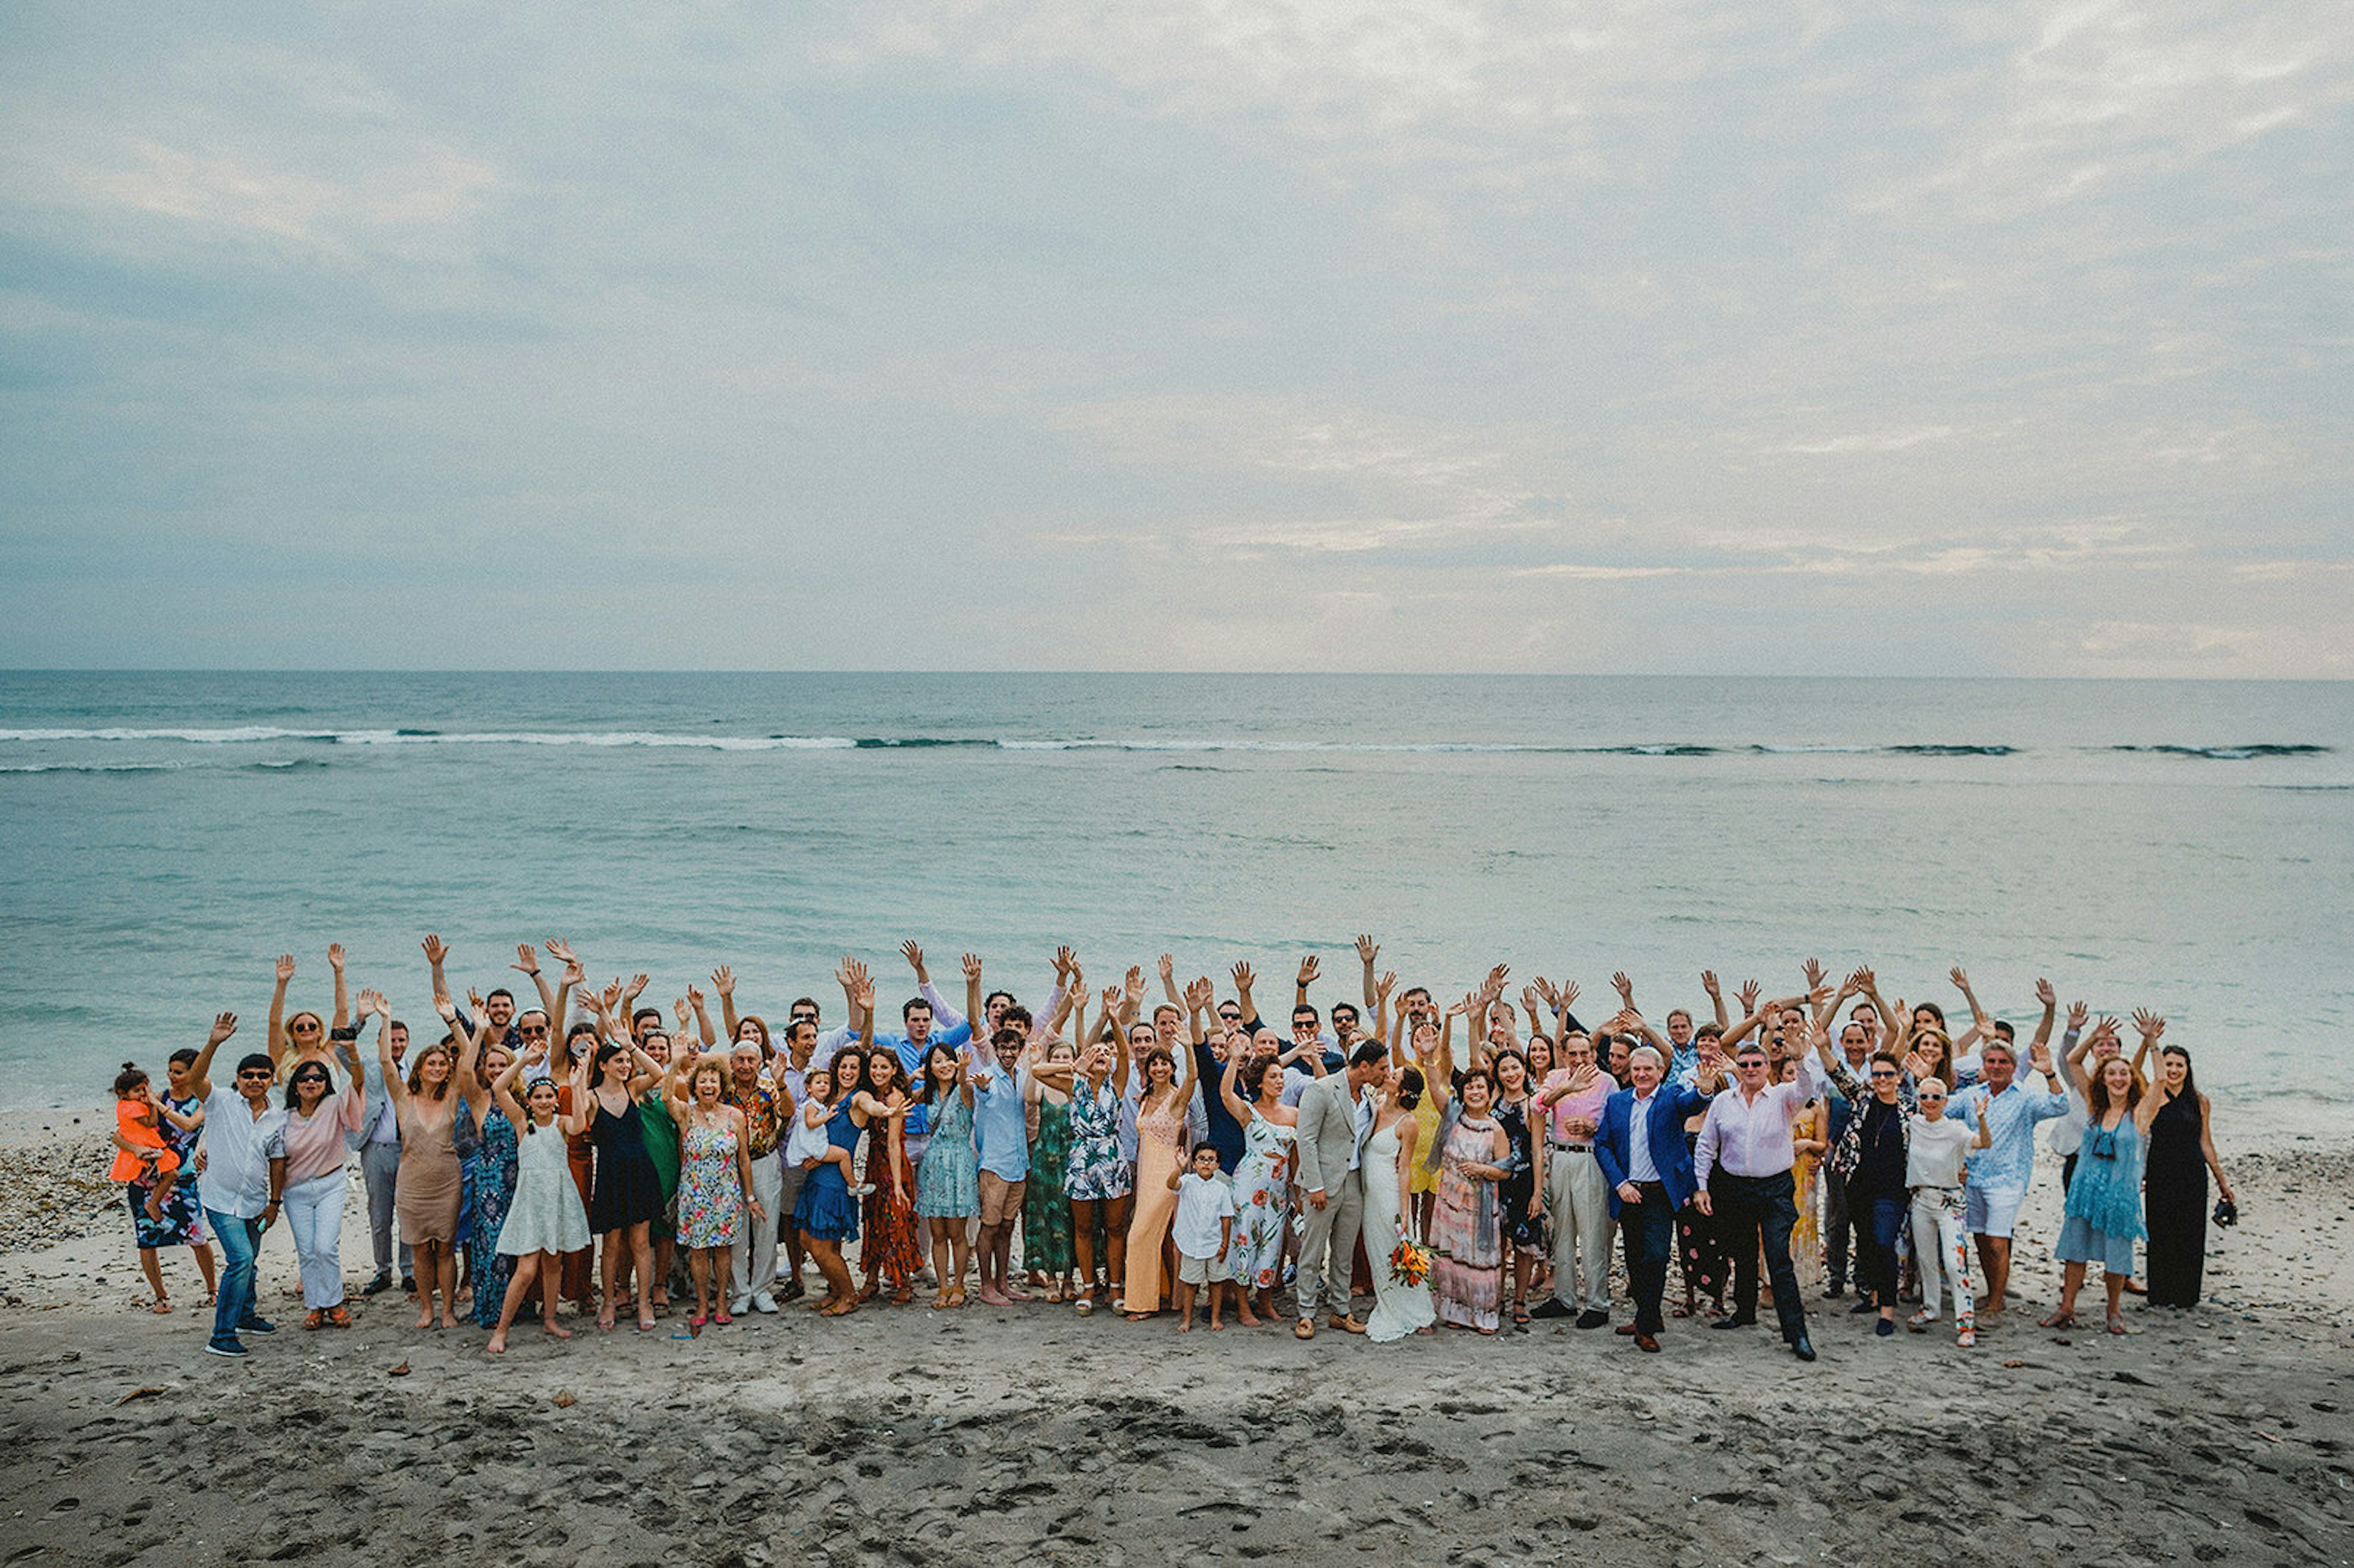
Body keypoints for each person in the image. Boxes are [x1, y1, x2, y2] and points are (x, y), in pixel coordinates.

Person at [1943, 980, 2068, 1321]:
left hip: (2008, 1180)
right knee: (1981, 1240)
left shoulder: (2025, 1096)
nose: (1997, 1066)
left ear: (2014, 1067)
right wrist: (1929, 1079)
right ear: (1984, 1063)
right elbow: (1939, 1108)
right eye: (1992, 1061)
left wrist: (2050, 1073)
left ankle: (1997, 1302)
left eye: (2003, 1062)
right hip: (1975, 1177)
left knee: (1998, 1241)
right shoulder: (1973, 1095)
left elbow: (2060, 1105)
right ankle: (1991, 1292)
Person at [1691, 1030, 1815, 1361]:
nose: (1750, 1069)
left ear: (1766, 1066)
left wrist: (1800, 1057)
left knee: (1777, 1257)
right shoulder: (1722, 1102)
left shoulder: (1783, 1097)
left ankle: (1796, 1333)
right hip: (1735, 1188)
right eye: (1744, 1064)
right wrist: (1701, 1186)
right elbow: (1706, 1146)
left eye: (1756, 1063)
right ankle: (1744, 1312)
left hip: (1775, 1188)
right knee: (1742, 1253)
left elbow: (1807, 1088)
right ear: (1738, 1067)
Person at [2044, 1021, 2167, 1334]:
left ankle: (2114, 1311)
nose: (2118, 1078)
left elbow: (2162, 1079)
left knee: (2117, 1256)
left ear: (2131, 1079)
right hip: (2085, 1191)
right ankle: (2066, 1308)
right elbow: (2072, 1062)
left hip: (2119, 1196)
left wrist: (2151, 1042)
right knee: (2075, 1251)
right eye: (2111, 1073)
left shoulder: (2140, 1113)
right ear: (2103, 1078)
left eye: (2123, 1074)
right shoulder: (2094, 1106)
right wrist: (2093, 1038)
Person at [1594, 1045, 1720, 1353]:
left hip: (1660, 1194)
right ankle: (1647, 1314)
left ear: (1660, 1072)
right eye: (1637, 1069)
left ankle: (1646, 1328)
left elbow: (1692, 1103)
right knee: (1635, 1259)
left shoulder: (1671, 1097)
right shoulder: (1617, 1103)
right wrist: (1620, 1183)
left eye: (1648, 1069)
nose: (1642, 1074)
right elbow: (1602, 1145)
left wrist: (1705, 1090)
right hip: (1629, 1193)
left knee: (1657, 1256)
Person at [185, 1011, 287, 1358]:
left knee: (251, 1260)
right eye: (248, 1075)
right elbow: (194, 1079)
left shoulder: (278, 1116)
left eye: (262, 1075)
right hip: (220, 1198)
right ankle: (222, 1335)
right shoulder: (220, 1102)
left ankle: (246, 1315)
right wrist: (213, 1042)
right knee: (241, 1259)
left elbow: (277, 1160)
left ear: (272, 1079)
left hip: (256, 1201)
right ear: (238, 1078)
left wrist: (274, 1203)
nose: (255, 1080)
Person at [483, 1041, 593, 1353]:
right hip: (531, 1200)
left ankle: (550, 1318)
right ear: (529, 1101)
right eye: (539, 1097)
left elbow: (580, 1124)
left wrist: (578, 1084)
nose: (544, 1101)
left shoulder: (561, 1124)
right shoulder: (522, 1122)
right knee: (527, 1268)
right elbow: (499, 1087)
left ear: (556, 1101)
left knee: (553, 1262)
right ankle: (502, 1329)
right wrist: (523, 1061)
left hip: (558, 1197)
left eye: (549, 1097)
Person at [1813, 1031, 1914, 1338]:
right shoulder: (1862, 1098)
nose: (1882, 1079)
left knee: (1884, 1242)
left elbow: (1940, 1129)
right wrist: (1821, 1047)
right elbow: (1837, 1073)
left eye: (1888, 1074)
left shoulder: (1911, 1109)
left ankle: (1887, 1310)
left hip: (1893, 1190)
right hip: (1857, 1184)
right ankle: (1872, 1297)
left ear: (1899, 1077)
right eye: (1877, 1074)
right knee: (1868, 1241)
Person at [272, 1024, 366, 1330]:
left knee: (326, 1247)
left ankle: (334, 1303)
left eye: (318, 1078)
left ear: (326, 1083)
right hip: (296, 1190)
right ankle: (315, 1306)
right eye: (305, 1078)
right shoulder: (284, 1119)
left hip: (330, 1184)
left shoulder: (335, 1106)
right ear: (295, 1085)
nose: (311, 1082)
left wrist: (351, 1052)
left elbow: (359, 1082)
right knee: (308, 1251)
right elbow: (262, 1148)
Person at [574, 1027, 668, 1333]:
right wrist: (580, 1075)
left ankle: (643, 1302)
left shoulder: (634, 1090)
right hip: (611, 1174)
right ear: (603, 1065)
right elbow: (576, 1126)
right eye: (618, 1061)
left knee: (641, 1241)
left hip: (640, 1170)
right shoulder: (591, 1097)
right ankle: (610, 1301)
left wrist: (631, 1046)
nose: (625, 1066)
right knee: (612, 1244)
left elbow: (657, 1073)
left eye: (627, 1062)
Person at [1293, 1041, 1387, 1339]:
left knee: (1343, 1252)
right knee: (1313, 1250)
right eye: (1382, 1068)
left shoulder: (1369, 1095)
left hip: (1354, 1181)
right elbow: (1305, 1140)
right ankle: (1306, 1313)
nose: (1386, 1073)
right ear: (1364, 1067)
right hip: (1323, 1181)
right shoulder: (1321, 1090)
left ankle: (1340, 1310)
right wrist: (1314, 1185)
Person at [397, 1002, 478, 1330]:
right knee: (420, 1250)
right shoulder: (403, 1096)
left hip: (447, 1181)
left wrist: (454, 1021)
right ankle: (427, 1309)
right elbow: (389, 1066)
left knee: (446, 1249)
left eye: (443, 1063)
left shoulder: (452, 1095)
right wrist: (387, 1019)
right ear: (419, 1068)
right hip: (412, 1184)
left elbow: (470, 1060)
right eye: (431, 1063)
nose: (438, 1067)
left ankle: (447, 1310)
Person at [2140, 1030, 2234, 1309]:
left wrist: (2222, 1182)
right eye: (2168, 1064)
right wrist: (2150, 1044)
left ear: (2187, 1069)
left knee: (2191, 1233)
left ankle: (2186, 1295)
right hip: (2160, 1171)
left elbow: (2206, 1142)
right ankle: (2159, 1293)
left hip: (2193, 1173)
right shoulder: (2154, 1096)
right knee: (2160, 1230)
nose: (2173, 1070)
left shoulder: (2200, 1100)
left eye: (2179, 1065)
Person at [118, 1052, 217, 1313]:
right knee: (147, 1238)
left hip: (182, 1175)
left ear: (194, 1073)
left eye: (179, 1072)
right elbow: (120, 1134)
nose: (171, 1077)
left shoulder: (202, 1101)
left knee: (196, 1235)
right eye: (170, 1070)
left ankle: (212, 1289)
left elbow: (188, 1124)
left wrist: (204, 1151)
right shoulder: (157, 1096)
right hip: (146, 1174)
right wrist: (135, 1149)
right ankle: (161, 1296)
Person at [670, 1056, 760, 1330]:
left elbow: (743, 1159)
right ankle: (701, 1303)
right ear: (694, 1085)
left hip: (726, 1193)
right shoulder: (686, 1113)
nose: (708, 1085)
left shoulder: (735, 1116)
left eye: (714, 1081)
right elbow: (665, 1096)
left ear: (722, 1085)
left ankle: (721, 1301)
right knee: (698, 1252)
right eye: (703, 1081)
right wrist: (675, 1062)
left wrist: (751, 1197)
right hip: (694, 1192)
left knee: (723, 1251)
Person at [1533, 1030, 1615, 1328]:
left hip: (1590, 1158)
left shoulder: (1607, 1082)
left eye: (1585, 1053)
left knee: (1593, 1232)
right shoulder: (1555, 1078)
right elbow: (1537, 1106)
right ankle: (1564, 1297)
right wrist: (1567, 1088)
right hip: (1560, 1156)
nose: (1579, 1059)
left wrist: (1593, 1127)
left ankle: (1597, 1302)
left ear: (1593, 1054)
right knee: (1561, 1232)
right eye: (1573, 1054)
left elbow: (1616, 1126)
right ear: (1564, 1055)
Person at [1902, 1076, 1990, 1345]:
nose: (1930, 1102)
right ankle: (1931, 1309)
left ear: (1946, 1101)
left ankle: (1966, 1323)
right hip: (1920, 1199)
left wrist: (1982, 1118)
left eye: (1936, 1098)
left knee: (1954, 1262)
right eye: (1925, 1097)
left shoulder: (1956, 1129)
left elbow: (1983, 1143)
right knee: (1926, 1260)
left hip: (1950, 1203)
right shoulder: (1913, 1125)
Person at [1121, 1016, 1196, 1321]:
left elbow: (1192, 1079)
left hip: (1166, 1173)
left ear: (1171, 1068)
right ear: (1149, 1069)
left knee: (1139, 1236)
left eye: (1165, 1064)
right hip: (1146, 1172)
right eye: (1155, 1064)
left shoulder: (1176, 1100)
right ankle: (1162, 1295)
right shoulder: (1145, 1098)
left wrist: (1188, 1048)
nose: (1160, 1068)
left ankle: (1140, 1304)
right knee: (1152, 1235)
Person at [1220, 1043, 1298, 1327]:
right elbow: (1225, 1094)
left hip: (1278, 1189)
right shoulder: (1249, 1112)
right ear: (1261, 1082)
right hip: (1248, 1185)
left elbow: (1297, 1157)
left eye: (1281, 1077)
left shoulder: (1293, 1113)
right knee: (1245, 1241)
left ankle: (1265, 1302)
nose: (1279, 1082)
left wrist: (1297, 1192)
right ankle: (1243, 1306)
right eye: (1273, 1077)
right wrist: (1233, 1059)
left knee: (1272, 1243)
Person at [1426, 1066, 1509, 1334]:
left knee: (1478, 1259)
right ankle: (1455, 1311)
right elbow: (1434, 1085)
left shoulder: (1495, 1129)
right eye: (1470, 1087)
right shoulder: (1453, 1117)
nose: (1475, 1092)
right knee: (1452, 1257)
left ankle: (1483, 1315)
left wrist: (1481, 1170)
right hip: (1449, 1202)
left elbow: (1506, 1170)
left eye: (1480, 1087)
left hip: (1479, 1205)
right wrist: (1429, 1058)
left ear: (1490, 1093)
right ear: (1462, 1092)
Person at [1362, 1065, 1436, 1341]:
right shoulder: (1377, 1104)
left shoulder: (1408, 1123)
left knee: (1399, 1247)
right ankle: (1389, 1302)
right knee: (1377, 1250)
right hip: (1368, 1192)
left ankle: (1418, 1312)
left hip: (1389, 1192)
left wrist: (1405, 1212)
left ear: (1402, 1090)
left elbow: (1405, 1169)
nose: (1388, 1075)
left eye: (1394, 1076)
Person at [913, 1042, 979, 1309]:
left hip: (959, 1163)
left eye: (947, 1060)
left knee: (957, 1232)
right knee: (937, 1233)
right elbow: (897, 1093)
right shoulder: (927, 1093)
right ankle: (943, 1286)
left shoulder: (964, 1090)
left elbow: (965, 1087)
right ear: (930, 1067)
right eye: (937, 1061)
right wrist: (911, 1076)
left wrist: (962, 1071)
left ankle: (959, 1284)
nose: (944, 1066)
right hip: (934, 1164)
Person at [1487, 1048, 1546, 1329]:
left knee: (1524, 1245)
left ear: (1525, 1069)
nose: (1511, 1074)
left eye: (1515, 1068)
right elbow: (1476, 1058)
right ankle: (1497, 1296)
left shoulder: (1533, 1104)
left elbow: (1537, 1151)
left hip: (1523, 1184)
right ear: (1497, 1074)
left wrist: (1538, 1193)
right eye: (1504, 1069)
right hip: (1496, 1181)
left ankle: (1519, 1300)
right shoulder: (1493, 1099)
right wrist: (1477, 1019)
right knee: (1496, 1243)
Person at [1168, 1142, 1237, 1331]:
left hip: (1214, 1244)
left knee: (1216, 1283)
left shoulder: (1222, 1189)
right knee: (1190, 1284)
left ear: (1217, 1165)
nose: (1206, 1164)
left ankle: (1215, 1318)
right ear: (1195, 1163)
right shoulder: (1188, 1182)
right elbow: (1171, 1184)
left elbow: (1226, 1219)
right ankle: (1187, 1319)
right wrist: (1178, 1168)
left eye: (1211, 1160)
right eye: (1202, 1159)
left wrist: (1224, 1244)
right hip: (1191, 1243)